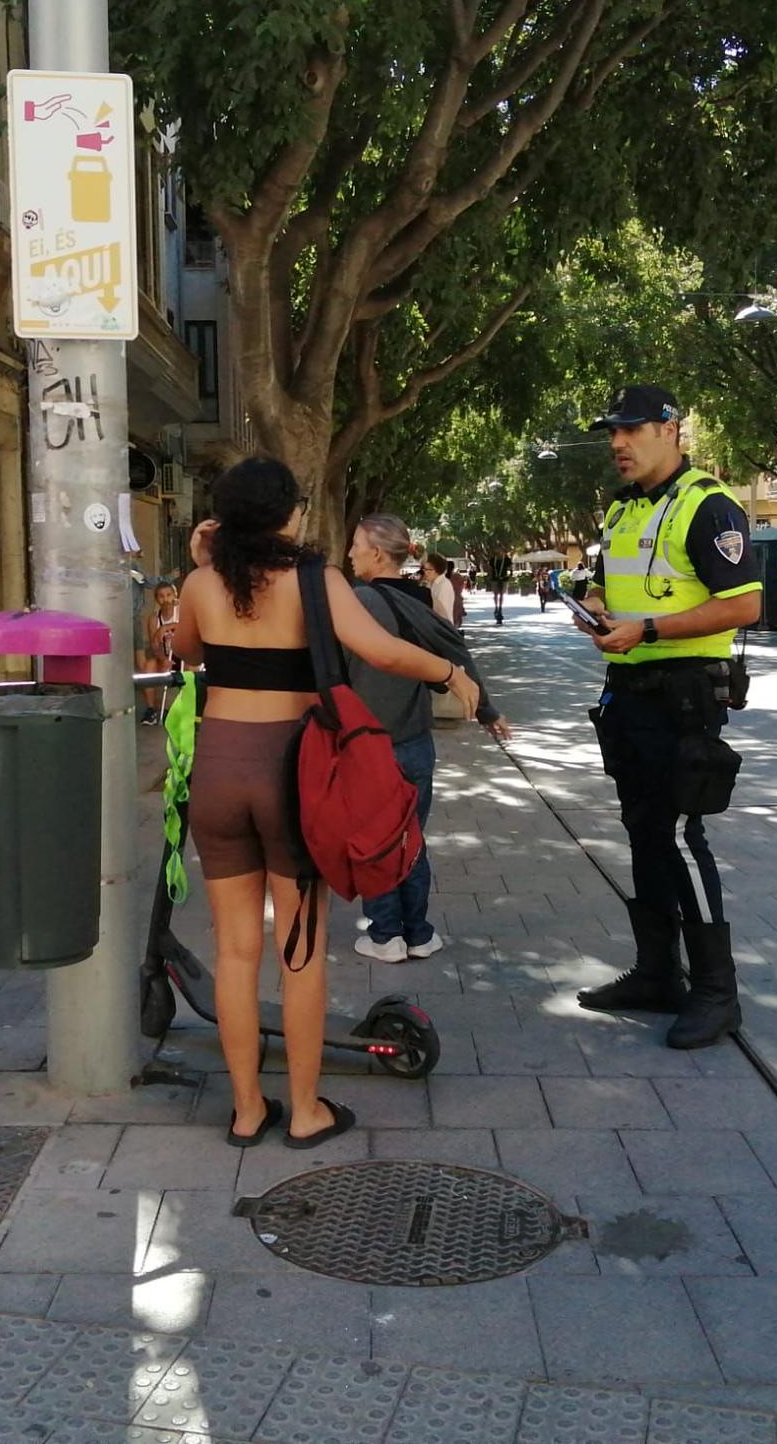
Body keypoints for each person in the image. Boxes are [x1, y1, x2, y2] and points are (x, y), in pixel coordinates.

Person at [171, 460, 478, 1149]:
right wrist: (450, 670)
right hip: (290, 773)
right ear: (287, 517)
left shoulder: (199, 581)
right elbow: (382, 651)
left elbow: (187, 650)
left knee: (235, 951)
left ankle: (247, 1111)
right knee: (300, 952)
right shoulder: (318, 579)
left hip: (218, 769)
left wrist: (201, 563)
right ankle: (306, 1110)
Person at [573, 384, 761, 1051]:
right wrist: (595, 607)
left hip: (683, 695)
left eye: (629, 430)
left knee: (682, 835)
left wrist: (647, 629)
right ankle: (657, 973)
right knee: (643, 831)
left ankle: (717, 991)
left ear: (670, 429)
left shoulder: (708, 506)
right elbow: (609, 585)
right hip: (628, 691)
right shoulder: (622, 510)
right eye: (610, 433)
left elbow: (743, 605)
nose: (617, 444)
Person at [345, 515, 512, 964]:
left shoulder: (356, 602)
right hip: (415, 740)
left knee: (374, 839)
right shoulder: (419, 599)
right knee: (411, 837)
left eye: (356, 545)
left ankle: (385, 935)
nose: (350, 553)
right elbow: (456, 654)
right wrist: (487, 710)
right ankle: (418, 932)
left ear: (378, 554)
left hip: (368, 745)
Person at [138, 579, 182, 726]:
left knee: (192, 666)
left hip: (184, 655)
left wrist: (165, 628)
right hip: (166, 655)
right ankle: (151, 711)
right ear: (157, 599)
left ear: (174, 595)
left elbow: (190, 630)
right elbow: (154, 645)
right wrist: (162, 659)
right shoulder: (154, 618)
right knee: (149, 666)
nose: (166, 599)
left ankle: (189, 709)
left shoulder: (182, 610)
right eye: (161, 596)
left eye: (169, 595)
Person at [424, 552, 461, 626]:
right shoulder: (430, 584)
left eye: (429, 570)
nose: (426, 573)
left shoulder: (444, 585)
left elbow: (443, 612)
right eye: (424, 569)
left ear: (438, 570)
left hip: (442, 628)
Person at [486, 550, 514, 624]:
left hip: (504, 579)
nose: (500, 553)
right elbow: (490, 568)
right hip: (494, 579)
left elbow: (510, 568)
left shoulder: (507, 559)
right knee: (495, 594)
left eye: (501, 552)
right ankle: (496, 606)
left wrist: (510, 574)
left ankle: (500, 607)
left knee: (501, 594)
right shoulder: (493, 559)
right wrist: (489, 576)